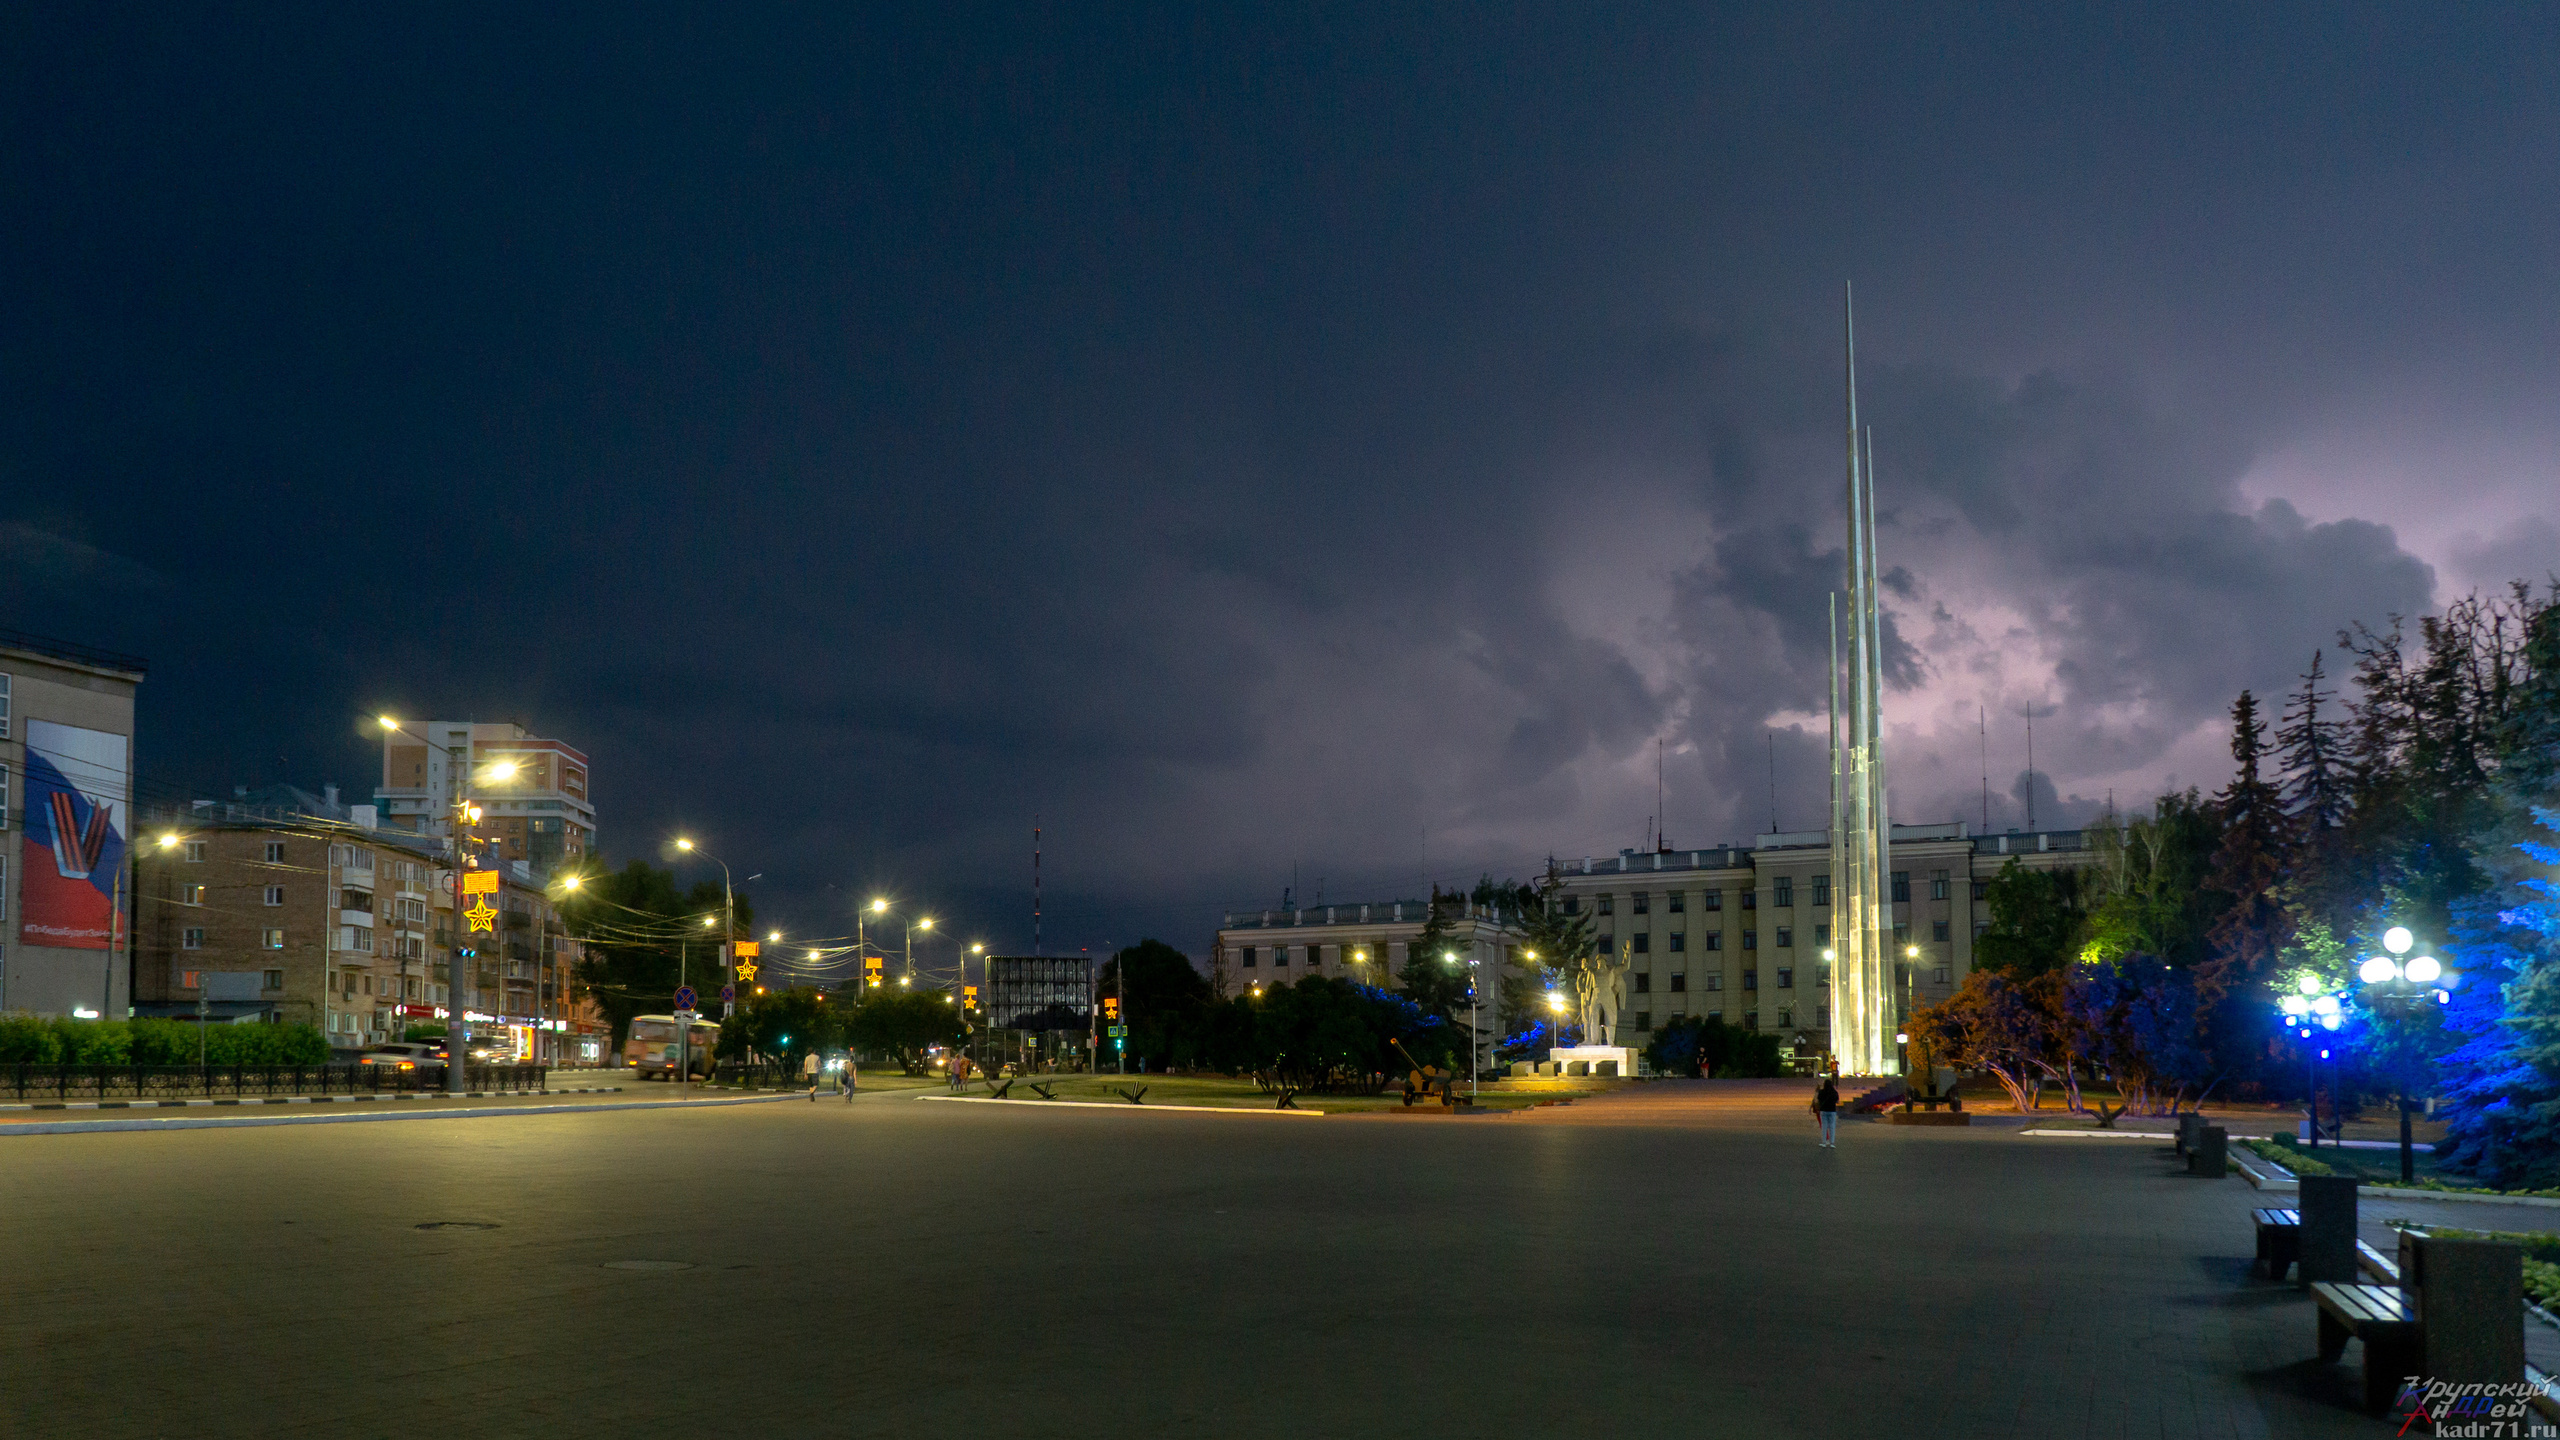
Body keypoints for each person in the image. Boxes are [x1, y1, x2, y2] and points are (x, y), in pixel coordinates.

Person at [1813, 1075, 1840, 1148]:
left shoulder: (1822, 1092)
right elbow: (1837, 1101)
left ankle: (1824, 1142)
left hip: (1823, 1111)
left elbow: (1818, 1100)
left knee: (1824, 1127)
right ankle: (1832, 1143)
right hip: (1832, 1111)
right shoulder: (1834, 1092)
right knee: (1832, 1127)